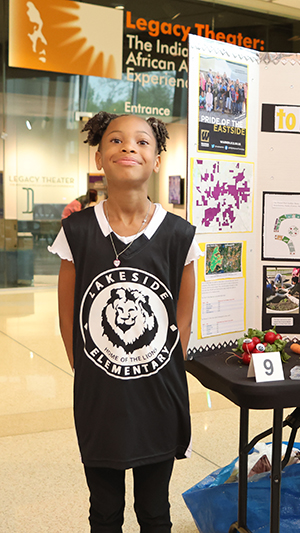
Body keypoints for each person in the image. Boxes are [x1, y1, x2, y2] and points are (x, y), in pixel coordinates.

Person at [49, 111, 201, 532]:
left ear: (156, 161)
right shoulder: (76, 231)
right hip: (101, 400)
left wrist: (164, 362)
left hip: (158, 396)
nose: (128, 147)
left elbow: (183, 317)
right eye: (116, 140)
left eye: (142, 142)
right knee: (104, 510)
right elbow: (68, 315)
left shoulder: (178, 234)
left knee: (154, 510)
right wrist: (87, 366)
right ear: (99, 157)